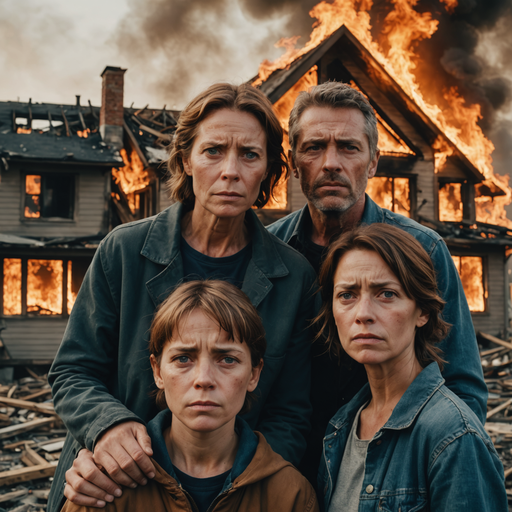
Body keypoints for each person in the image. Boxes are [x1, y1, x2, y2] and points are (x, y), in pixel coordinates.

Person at [49, 83, 317, 511]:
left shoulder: (294, 276)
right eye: (213, 151)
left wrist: (249, 487)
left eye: (249, 154)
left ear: (267, 169)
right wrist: (108, 426)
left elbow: (291, 413)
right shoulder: (123, 251)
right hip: (115, 486)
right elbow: (72, 372)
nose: (230, 170)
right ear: (186, 159)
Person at [266, 81, 487, 480]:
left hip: (387, 477)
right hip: (283, 471)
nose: (331, 162)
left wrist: (424, 479)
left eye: (348, 147)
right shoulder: (267, 253)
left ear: (372, 163)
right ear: (294, 162)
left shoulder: (422, 249)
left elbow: (463, 385)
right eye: (314, 147)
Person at [61, 280, 319, 512]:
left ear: (254, 373)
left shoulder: (292, 494)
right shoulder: (105, 483)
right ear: (157, 371)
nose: (204, 379)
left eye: (227, 359)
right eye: (183, 358)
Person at [315, 223, 506, 512]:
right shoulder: (342, 426)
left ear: (423, 311)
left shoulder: (454, 437)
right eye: (347, 295)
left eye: (386, 294)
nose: (363, 314)